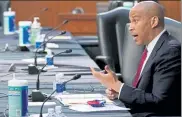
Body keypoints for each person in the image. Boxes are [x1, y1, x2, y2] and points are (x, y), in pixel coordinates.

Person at [90, 1, 181, 117]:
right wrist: (120, 92)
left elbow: (159, 101)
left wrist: (118, 86)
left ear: (153, 22)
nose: (130, 27)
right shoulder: (152, 46)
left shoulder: (170, 51)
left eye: (135, 21)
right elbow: (145, 91)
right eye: (130, 22)